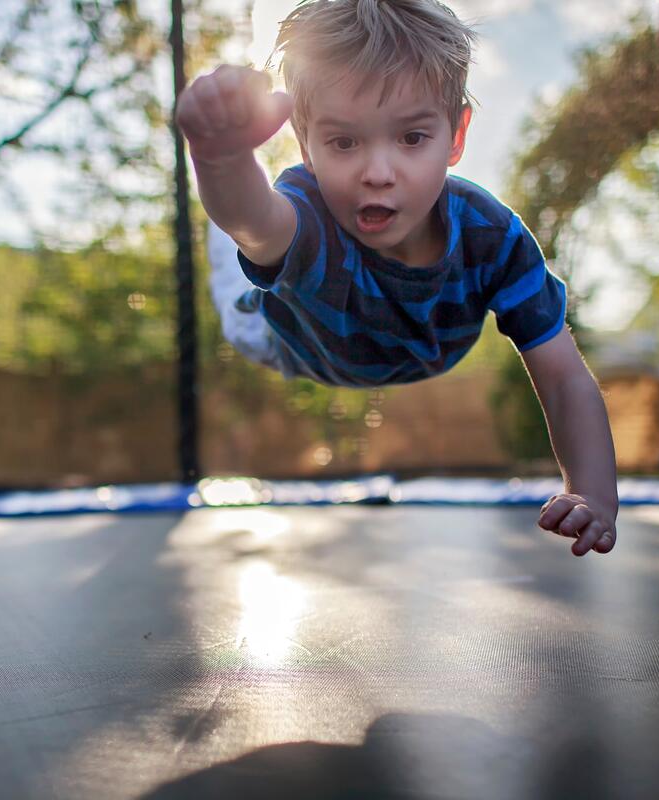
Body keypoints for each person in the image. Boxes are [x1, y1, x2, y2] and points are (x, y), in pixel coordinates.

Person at [175, 0, 618, 556]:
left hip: (404, 347)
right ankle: (231, 197)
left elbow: (564, 378)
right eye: (343, 142)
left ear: (456, 136)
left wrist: (594, 494)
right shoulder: (308, 215)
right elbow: (259, 224)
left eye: (411, 139)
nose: (378, 174)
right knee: (241, 229)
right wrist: (218, 158)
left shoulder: (494, 239)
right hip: (280, 336)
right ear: (305, 143)